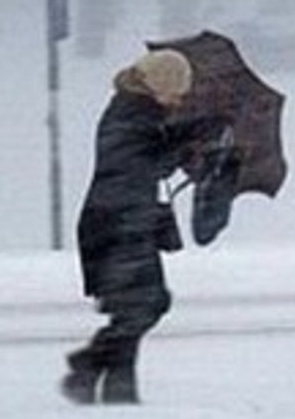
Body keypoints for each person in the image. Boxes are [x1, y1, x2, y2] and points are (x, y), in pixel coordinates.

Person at [60, 49, 224, 405]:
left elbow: (156, 148)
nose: (180, 99)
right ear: (159, 84)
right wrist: (185, 142)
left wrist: (196, 132)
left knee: (133, 308)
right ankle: (89, 364)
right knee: (147, 304)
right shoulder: (128, 116)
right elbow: (147, 162)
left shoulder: (137, 113)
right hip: (115, 224)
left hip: (124, 222)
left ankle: (116, 394)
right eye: (177, 91)